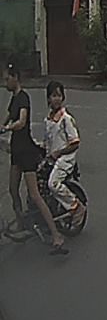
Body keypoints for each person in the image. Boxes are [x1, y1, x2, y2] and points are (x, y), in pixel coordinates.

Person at [3, 63, 65, 253]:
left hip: (27, 152)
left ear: (15, 77)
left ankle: (56, 235)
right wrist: (2, 126)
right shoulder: (14, 99)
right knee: (13, 189)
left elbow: (21, 122)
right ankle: (21, 223)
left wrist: (7, 128)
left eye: (7, 79)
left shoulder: (23, 98)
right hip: (16, 151)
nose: (5, 82)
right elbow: (8, 117)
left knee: (34, 194)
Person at [43, 81, 84, 230]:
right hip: (52, 158)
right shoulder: (48, 119)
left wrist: (59, 153)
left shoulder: (66, 119)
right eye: (53, 95)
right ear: (48, 98)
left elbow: (75, 143)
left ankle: (75, 206)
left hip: (65, 160)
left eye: (59, 95)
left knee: (52, 184)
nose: (56, 99)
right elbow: (47, 142)